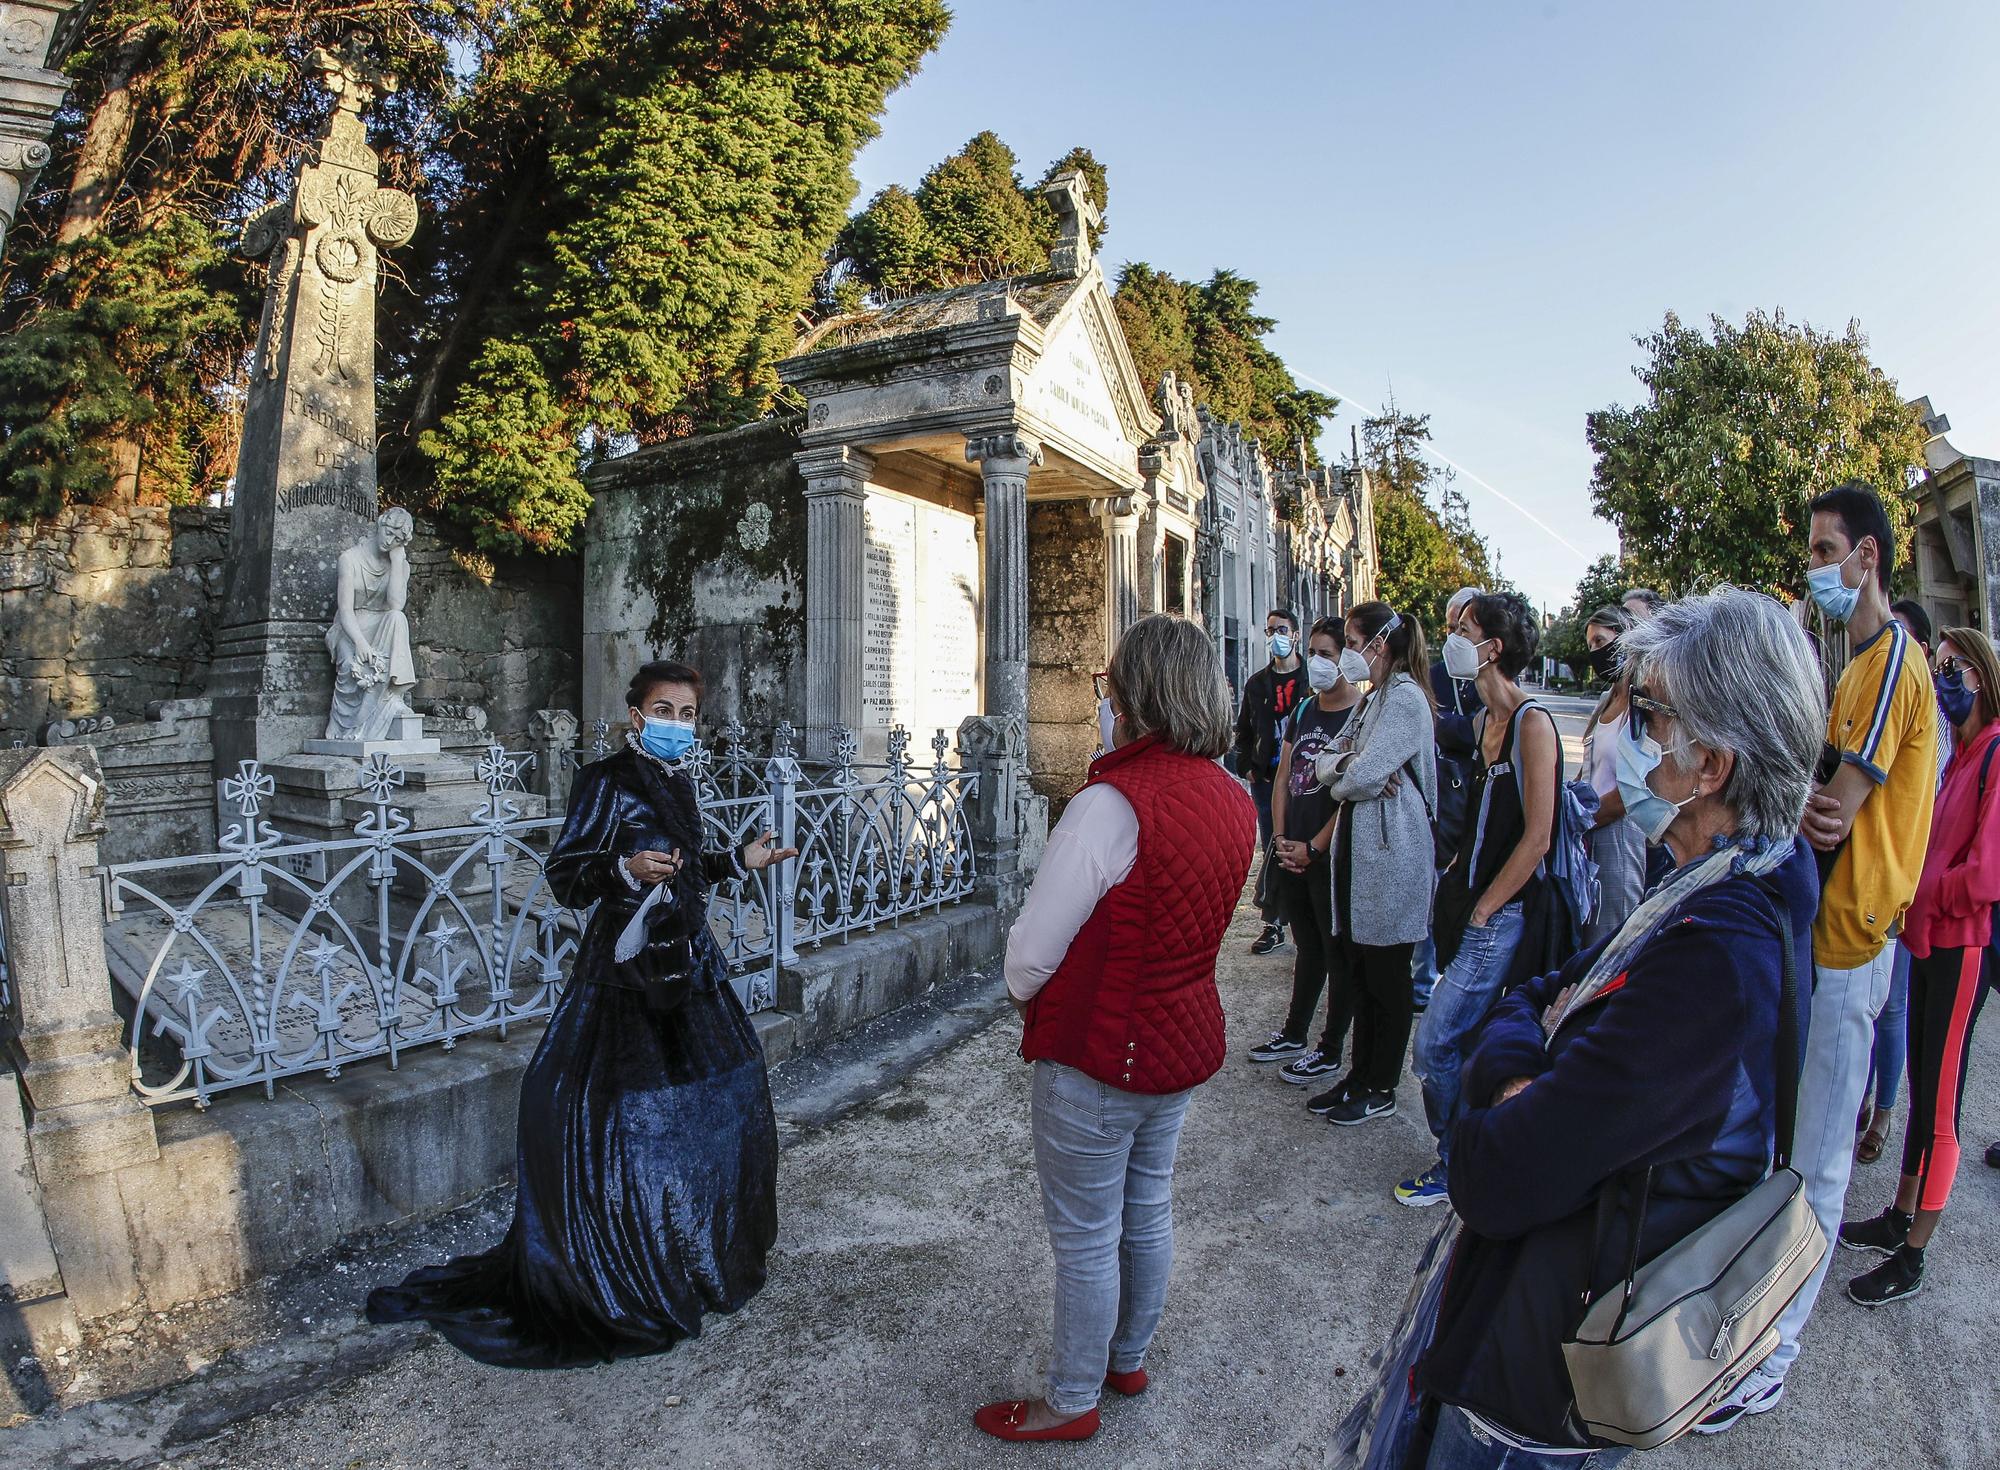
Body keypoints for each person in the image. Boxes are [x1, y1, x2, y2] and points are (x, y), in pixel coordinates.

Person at [1374, 587, 1823, 1470]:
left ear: (1713, 765)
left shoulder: (1717, 955)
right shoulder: (1711, 881)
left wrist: (1510, 1079)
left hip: (1539, 1382)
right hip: (1541, 1320)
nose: (1631, 737)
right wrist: (1522, 1064)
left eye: (1654, 716)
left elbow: (1498, 1173)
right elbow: (1539, 991)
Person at [366, 661, 794, 1366]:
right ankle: (628, 1265)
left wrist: (737, 861)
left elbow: (685, 869)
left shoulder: (681, 778)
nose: (678, 726)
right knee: (609, 1115)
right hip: (624, 972)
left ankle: (698, 1253)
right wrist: (624, 873)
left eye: (689, 715)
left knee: (730, 1092)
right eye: (665, 711)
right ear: (635, 717)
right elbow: (566, 877)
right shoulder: (605, 781)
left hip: (688, 962)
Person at [978, 614, 1255, 1443]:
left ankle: (1071, 1397)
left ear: (1136, 696)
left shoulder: (1111, 805)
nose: (1106, 703)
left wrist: (1027, 991)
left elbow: (1031, 952)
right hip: (1176, 1040)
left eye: (1110, 686)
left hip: (1100, 1052)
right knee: (1148, 1206)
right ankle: (1126, 1355)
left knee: (1088, 1236)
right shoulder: (1233, 796)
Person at [1700, 481, 1937, 1433]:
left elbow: (1829, 811)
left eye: (1825, 549)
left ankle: (1775, 1354)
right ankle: (1758, 1323)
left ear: (1869, 558)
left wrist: (1798, 795)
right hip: (1828, 940)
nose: (1814, 566)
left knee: (1821, 1160)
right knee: (1795, 1147)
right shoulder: (1857, 665)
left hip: (1848, 942)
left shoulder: (1887, 665)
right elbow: (1813, 801)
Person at [1839, 626, 2000, 1305]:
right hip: (1932, 939)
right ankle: (1900, 1214)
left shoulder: (1994, 753)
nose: (1942, 682)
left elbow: (1986, 873)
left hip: (1963, 944)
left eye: (1953, 670)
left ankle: (1915, 1252)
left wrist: (1926, 896)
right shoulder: (1962, 753)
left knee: (1939, 1101)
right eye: (1938, 668)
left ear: (1983, 678)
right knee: (1926, 1089)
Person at [1398, 591, 1557, 1208]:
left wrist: (1487, 908)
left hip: (1501, 914)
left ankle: (1455, 1162)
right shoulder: (1483, 721)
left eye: (1463, 629)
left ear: (1492, 647)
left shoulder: (1531, 724)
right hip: (1469, 905)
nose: (1451, 639)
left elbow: (1538, 835)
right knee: (1466, 1041)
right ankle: (1473, 1154)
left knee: (1436, 1041)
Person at [1298, 602, 1437, 1123]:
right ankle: (1358, 1075)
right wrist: (1351, 764)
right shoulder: (1373, 701)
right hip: (1361, 854)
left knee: (1386, 977)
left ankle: (1380, 1085)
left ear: (1379, 644)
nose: (1349, 655)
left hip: (1393, 854)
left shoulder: (1404, 701)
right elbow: (1325, 760)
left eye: (1353, 643)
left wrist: (1352, 768)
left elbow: (1355, 778)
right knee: (1359, 969)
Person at [1856, 599, 1951, 1164]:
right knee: (1867, 1006)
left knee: (1891, 1008)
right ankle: (1866, 1098)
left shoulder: (1932, 716)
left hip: (1907, 875)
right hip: (1878, 870)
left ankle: (1885, 1111)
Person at [1246, 616, 1363, 1073]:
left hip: (1327, 853)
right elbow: (1283, 778)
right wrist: (1279, 838)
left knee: (1336, 951)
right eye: (1312, 652)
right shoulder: (1303, 710)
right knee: (1308, 946)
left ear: (1345, 659)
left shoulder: (1360, 714)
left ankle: (1330, 1048)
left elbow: (1352, 794)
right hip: (1291, 846)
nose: (1316, 662)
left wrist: (1314, 846)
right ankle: (1294, 1032)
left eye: (1327, 654)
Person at [1414, 586, 1486, 1009]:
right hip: (1445, 795)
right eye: (1452, 625)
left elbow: (1492, 727)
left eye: (1465, 625)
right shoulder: (1437, 675)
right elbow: (1437, 726)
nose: (1456, 634)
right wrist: (1468, 728)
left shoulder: (1493, 675)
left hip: (1482, 793)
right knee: (1434, 891)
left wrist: (1467, 727)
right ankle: (1423, 984)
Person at [1234, 609, 1306, 955]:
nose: (1276, 636)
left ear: (1295, 634)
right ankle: (1273, 923)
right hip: (1267, 779)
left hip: (1307, 781)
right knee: (1275, 847)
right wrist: (1246, 763)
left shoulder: (1312, 680)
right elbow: (1244, 729)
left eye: (1282, 629)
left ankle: (1308, 920)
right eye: (1270, 630)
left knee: (1307, 846)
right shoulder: (1257, 684)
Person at [1579, 605, 1647, 945]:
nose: (1596, 652)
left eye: (1601, 641)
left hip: (1620, 835)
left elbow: (1636, 784)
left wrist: (1587, 816)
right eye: (1590, 645)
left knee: (1609, 941)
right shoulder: (1606, 700)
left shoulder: (1642, 705)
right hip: (1589, 832)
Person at [326, 507, 418, 741]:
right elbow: (345, 610)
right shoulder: (349, 559)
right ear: (380, 525)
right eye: (389, 533)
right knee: (352, 666)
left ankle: (391, 701)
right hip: (351, 626)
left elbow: (396, 604)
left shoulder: (399, 563)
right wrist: (360, 643)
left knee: (398, 618)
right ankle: (347, 726)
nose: (390, 541)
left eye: (398, 539)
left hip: (381, 623)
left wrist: (398, 562)